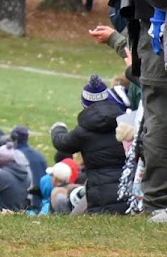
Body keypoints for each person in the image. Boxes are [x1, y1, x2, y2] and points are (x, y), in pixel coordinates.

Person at [49, 74, 131, 214]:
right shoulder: (125, 122)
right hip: (128, 188)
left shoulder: (83, 132)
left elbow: (61, 142)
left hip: (99, 195)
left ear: (85, 105)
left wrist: (58, 128)